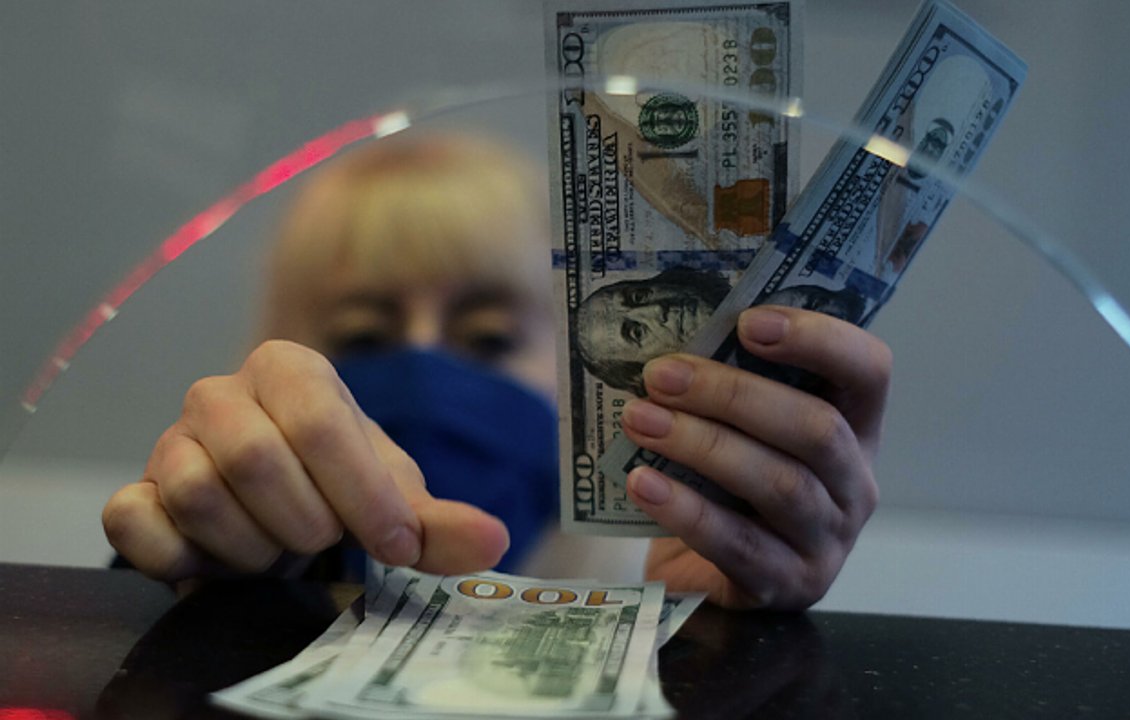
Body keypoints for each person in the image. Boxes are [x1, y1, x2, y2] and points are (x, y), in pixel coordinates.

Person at [101, 133, 891, 611]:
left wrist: (713, 655)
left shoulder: (671, 569)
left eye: (487, 337)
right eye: (363, 338)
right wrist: (201, 588)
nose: (424, 369)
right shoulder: (270, 569)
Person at [574, 265, 867, 396]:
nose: (656, 310)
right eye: (637, 332)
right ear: (641, 377)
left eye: (639, 296)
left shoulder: (790, 302)